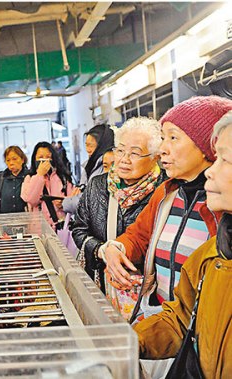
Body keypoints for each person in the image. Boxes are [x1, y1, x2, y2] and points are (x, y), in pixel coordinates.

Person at [100, 96, 232, 323]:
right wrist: (115, 249)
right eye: (163, 138)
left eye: (173, 138)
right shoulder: (166, 194)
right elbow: (139, 236)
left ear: (205, 147)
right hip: (162, 320)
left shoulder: (222, 206)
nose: (162, 149)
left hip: (204, 327)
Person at [134, 110, 232, 378]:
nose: (211, 171)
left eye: (225, 159)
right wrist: (125, 342)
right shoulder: (211, 257)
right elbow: (180, 320)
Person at [72, 117, 164, 294]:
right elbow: (79, 229)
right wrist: (101, 250)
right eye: (120, 150)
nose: (124, 159)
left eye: (135, 153)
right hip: (103, 286)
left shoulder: (166, 191)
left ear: (155, 157)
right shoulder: (97, 185)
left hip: (150, 291)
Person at [63, 123, 114, 214]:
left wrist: (66, 203)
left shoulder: (105, 166)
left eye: (91, 145)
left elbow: (92, 202)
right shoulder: (89, 165)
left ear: (102, 146)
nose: (88, 149)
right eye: (86, 145)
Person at [21, 141, 73, 231]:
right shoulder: (29, 178)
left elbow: (74, 202)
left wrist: (64, 204)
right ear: (34, 159)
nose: (45, 160)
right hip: (39, 230)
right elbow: (31, 200)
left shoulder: (63, 178)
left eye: (48, 157)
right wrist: (39, 175)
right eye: (40, 157)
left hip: (61, 229)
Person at [0, 145, 29, 214]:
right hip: (5, 222)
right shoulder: (0, 178)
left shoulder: (30, 176)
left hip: (28, 221)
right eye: (8, 160)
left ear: (22, 160)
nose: (11, 163)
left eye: (14, 159)